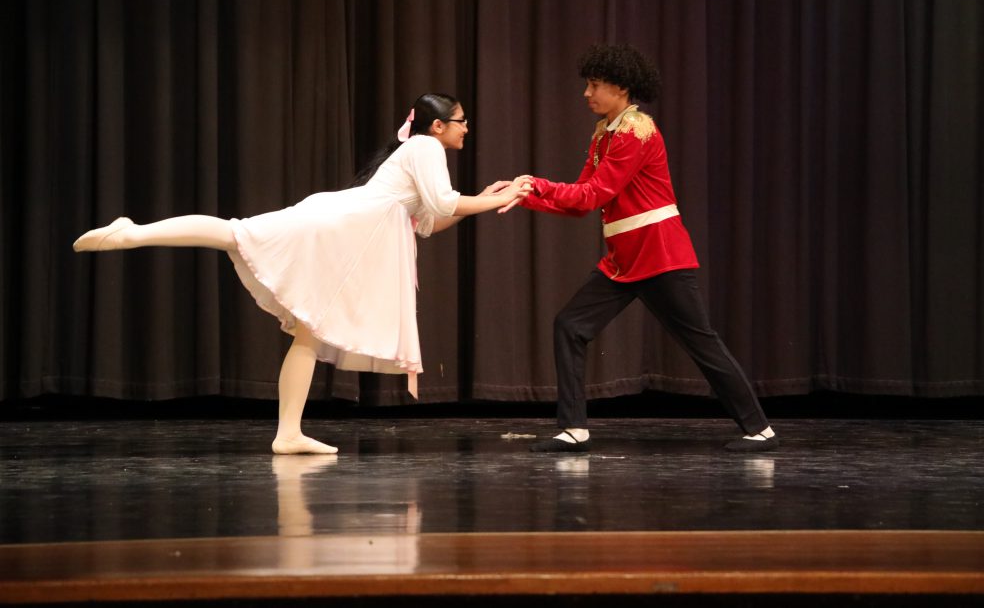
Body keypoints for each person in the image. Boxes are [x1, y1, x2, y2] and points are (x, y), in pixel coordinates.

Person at [74, 93, 531, 455]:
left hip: (353, 239)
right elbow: (444, 203)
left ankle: (288, 433)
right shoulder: (426, 146)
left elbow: (431, 221)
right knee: (239, 234)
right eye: (461, 121)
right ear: (438, 126)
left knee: (309, 331)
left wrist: (482, 201)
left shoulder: (419, 150)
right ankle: (133, 232)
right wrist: (496, 198)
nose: (466, 128)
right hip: (341, 232)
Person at [503, 45, 777, 453]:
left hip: (659, 256)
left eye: (595, 85)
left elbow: (595, 194)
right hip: (625, 259)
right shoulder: (605, 134)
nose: (587, 93)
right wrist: (524, 195)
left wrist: (535, 184)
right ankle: (574, 427)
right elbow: (581, 200)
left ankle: (759, 429)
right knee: (570, 326)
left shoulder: (635, 131)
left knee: (701, 343)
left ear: (621, 88)